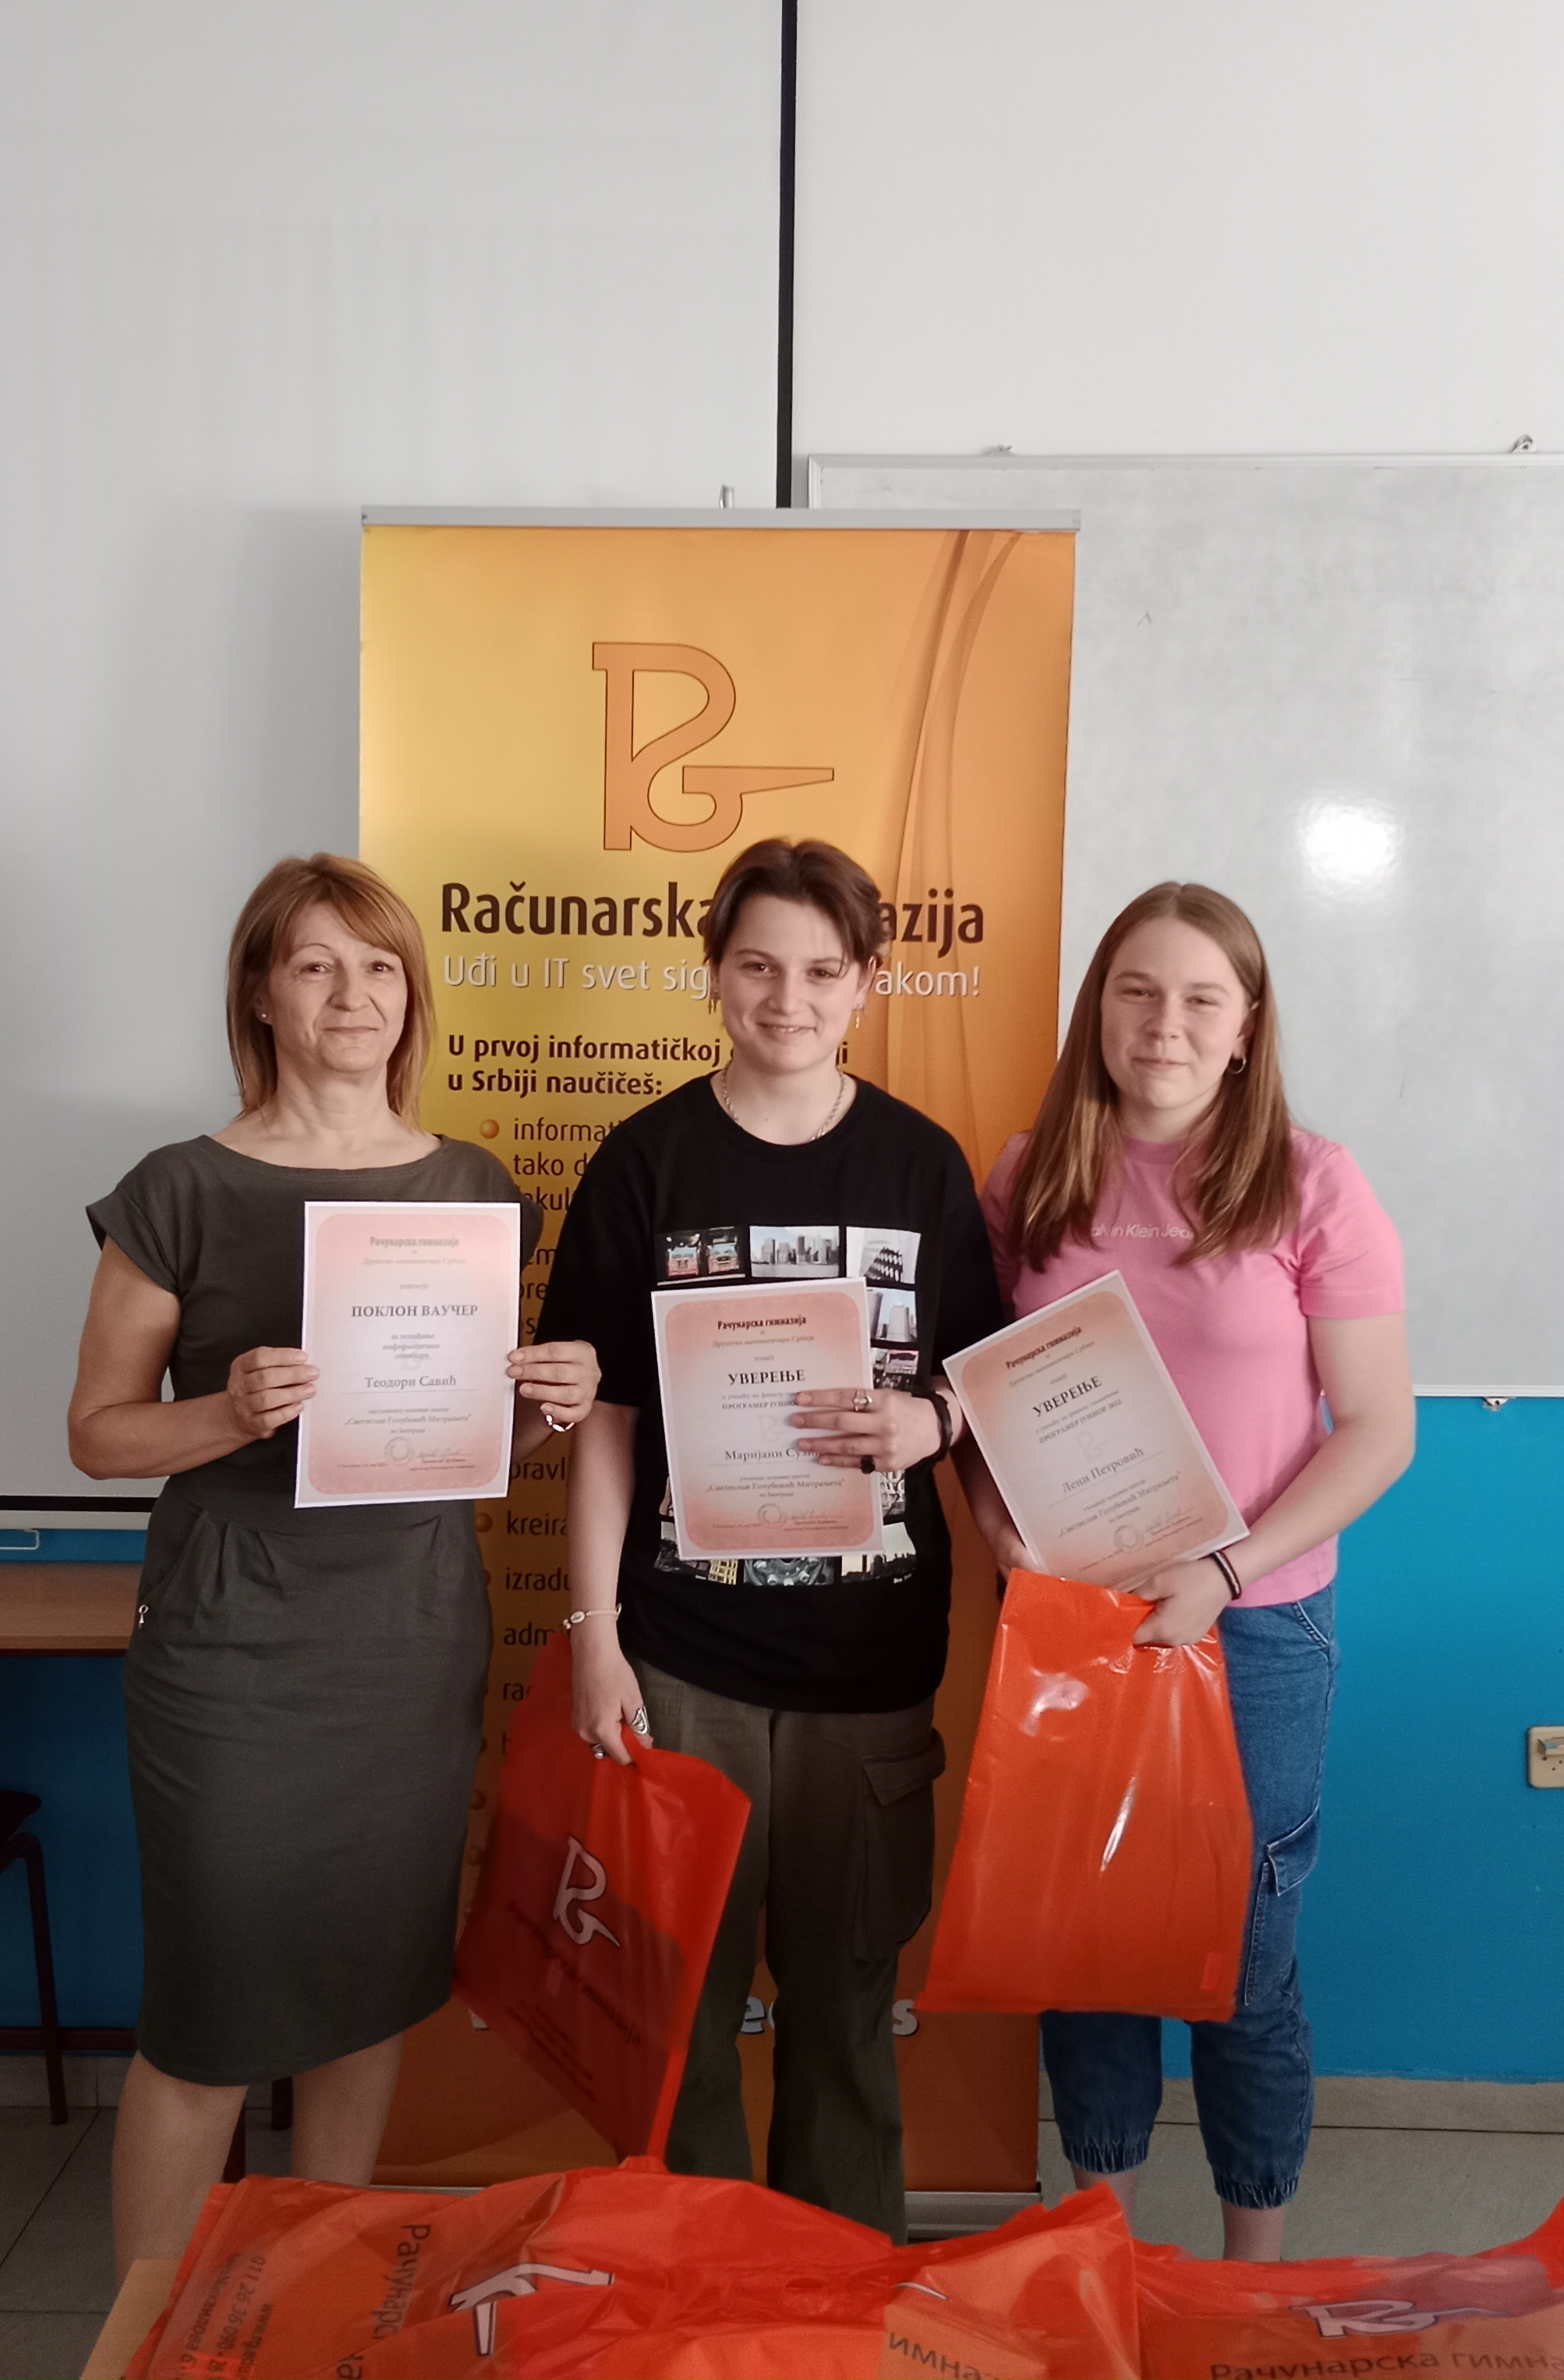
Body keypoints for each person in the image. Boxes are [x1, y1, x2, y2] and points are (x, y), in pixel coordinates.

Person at [69, 852, 599, 2275]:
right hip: (230, 1647)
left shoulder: (472, 1185)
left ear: (410, 995)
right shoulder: (178, 1188)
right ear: (261, 994)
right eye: (315, 964)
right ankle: (147, 2340)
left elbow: (470, 1441)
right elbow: (98, 1435)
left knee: (370, 1993)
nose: (352, 994)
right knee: (211, 2014)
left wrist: (547, 1408)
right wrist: (225, 1411)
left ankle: (311, 2303)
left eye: (377, 967)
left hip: (409, 1639)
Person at [536, 838, 1005, 2243]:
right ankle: (697, 2294)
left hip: (871, 1671)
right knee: (677, 2012)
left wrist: (931, 1419)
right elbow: (605, 1417)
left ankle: (838, 2294)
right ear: (714, 973)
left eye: (819, 970)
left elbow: (980, 1383)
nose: (787, 999)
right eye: (757, 966)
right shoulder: (646, 1160)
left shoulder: (921, 1163)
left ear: (867, 982)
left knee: (846, 2011)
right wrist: (596, 1638)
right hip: (685, 1662)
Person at [971, 880, 1414, 2261]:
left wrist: (1226, 1569)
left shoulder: (1312, 1181)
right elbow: (976, 1397)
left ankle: (1247, 2289)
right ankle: (1099, 2260)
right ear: (1097, 1009)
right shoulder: (1030, 1174)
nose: (1164, 1023)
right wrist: (994, 1533)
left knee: (1246, 1968)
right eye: (1137, 991)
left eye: (1200, 999)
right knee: (1088, 1954)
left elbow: (1381, 1430)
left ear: (1246, 1027)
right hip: (1073, 1624)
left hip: (1256, 1627)